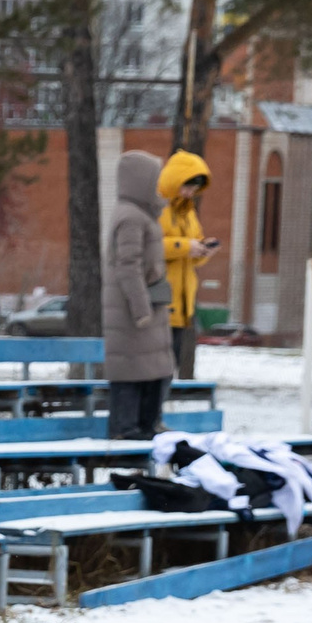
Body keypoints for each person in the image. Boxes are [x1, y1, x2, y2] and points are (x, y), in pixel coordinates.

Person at [105, 149, 175, 437]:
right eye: (153, 179)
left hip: (150, 306)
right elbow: (128, 266)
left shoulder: (143, 214)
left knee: (156, 368)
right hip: (132, 313)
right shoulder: (130, 217)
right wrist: (141, 308)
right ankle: (128, 428)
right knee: (131, 370)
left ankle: (148, 424)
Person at [156, 151, 218, 381]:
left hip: (181, 308)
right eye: (187, 186)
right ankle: (152, 415)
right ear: (175, 180)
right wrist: (185, 247)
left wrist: (203, 250)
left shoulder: (188, 212)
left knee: (168, 370)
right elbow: (147, 245)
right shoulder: (157, 207)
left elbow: (191, 255)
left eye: (194, 189)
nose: (190, 193)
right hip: (159, 303)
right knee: (156, 371)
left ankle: (158, 414)